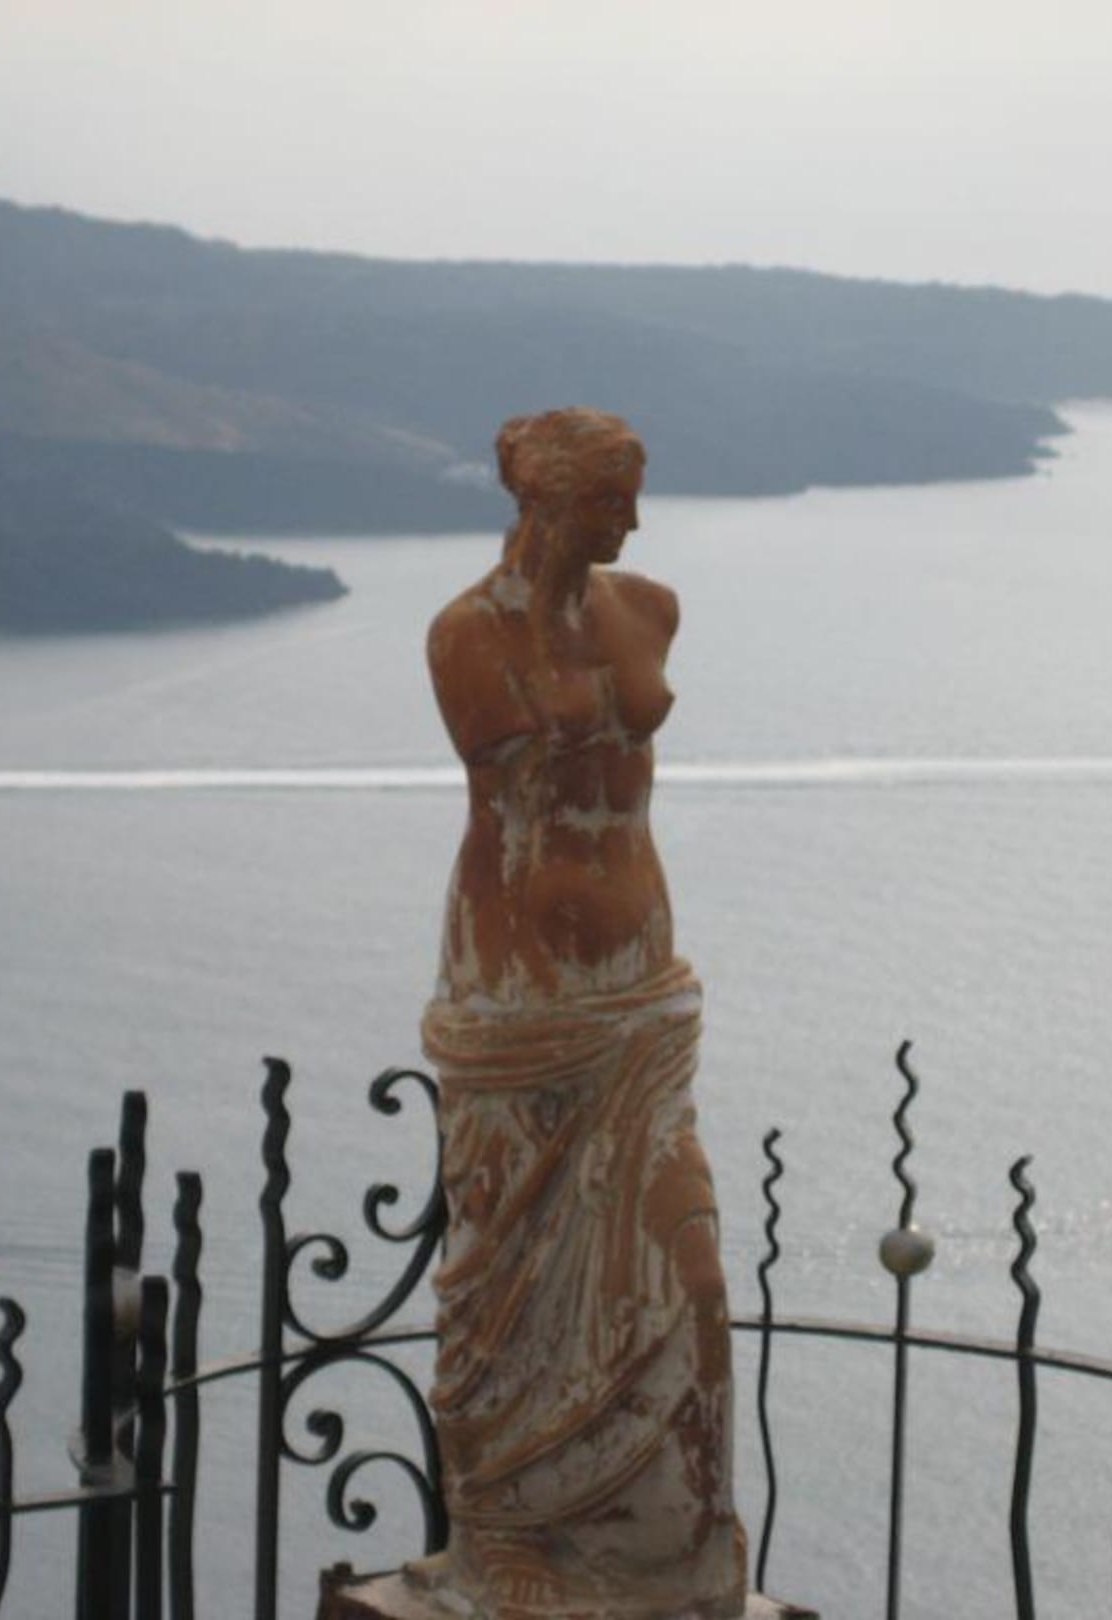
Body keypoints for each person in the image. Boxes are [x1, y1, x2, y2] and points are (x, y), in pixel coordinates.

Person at [416, 408, 747, 1619]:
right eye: (613, 498)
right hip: (521, 994)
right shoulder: (467, 635)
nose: (634, 522)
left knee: (690, 1280)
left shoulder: (648, 607)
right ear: (549, 501)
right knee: (510, 1294)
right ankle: (507, 1535)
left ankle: (675, 1551)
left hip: (640, 994)